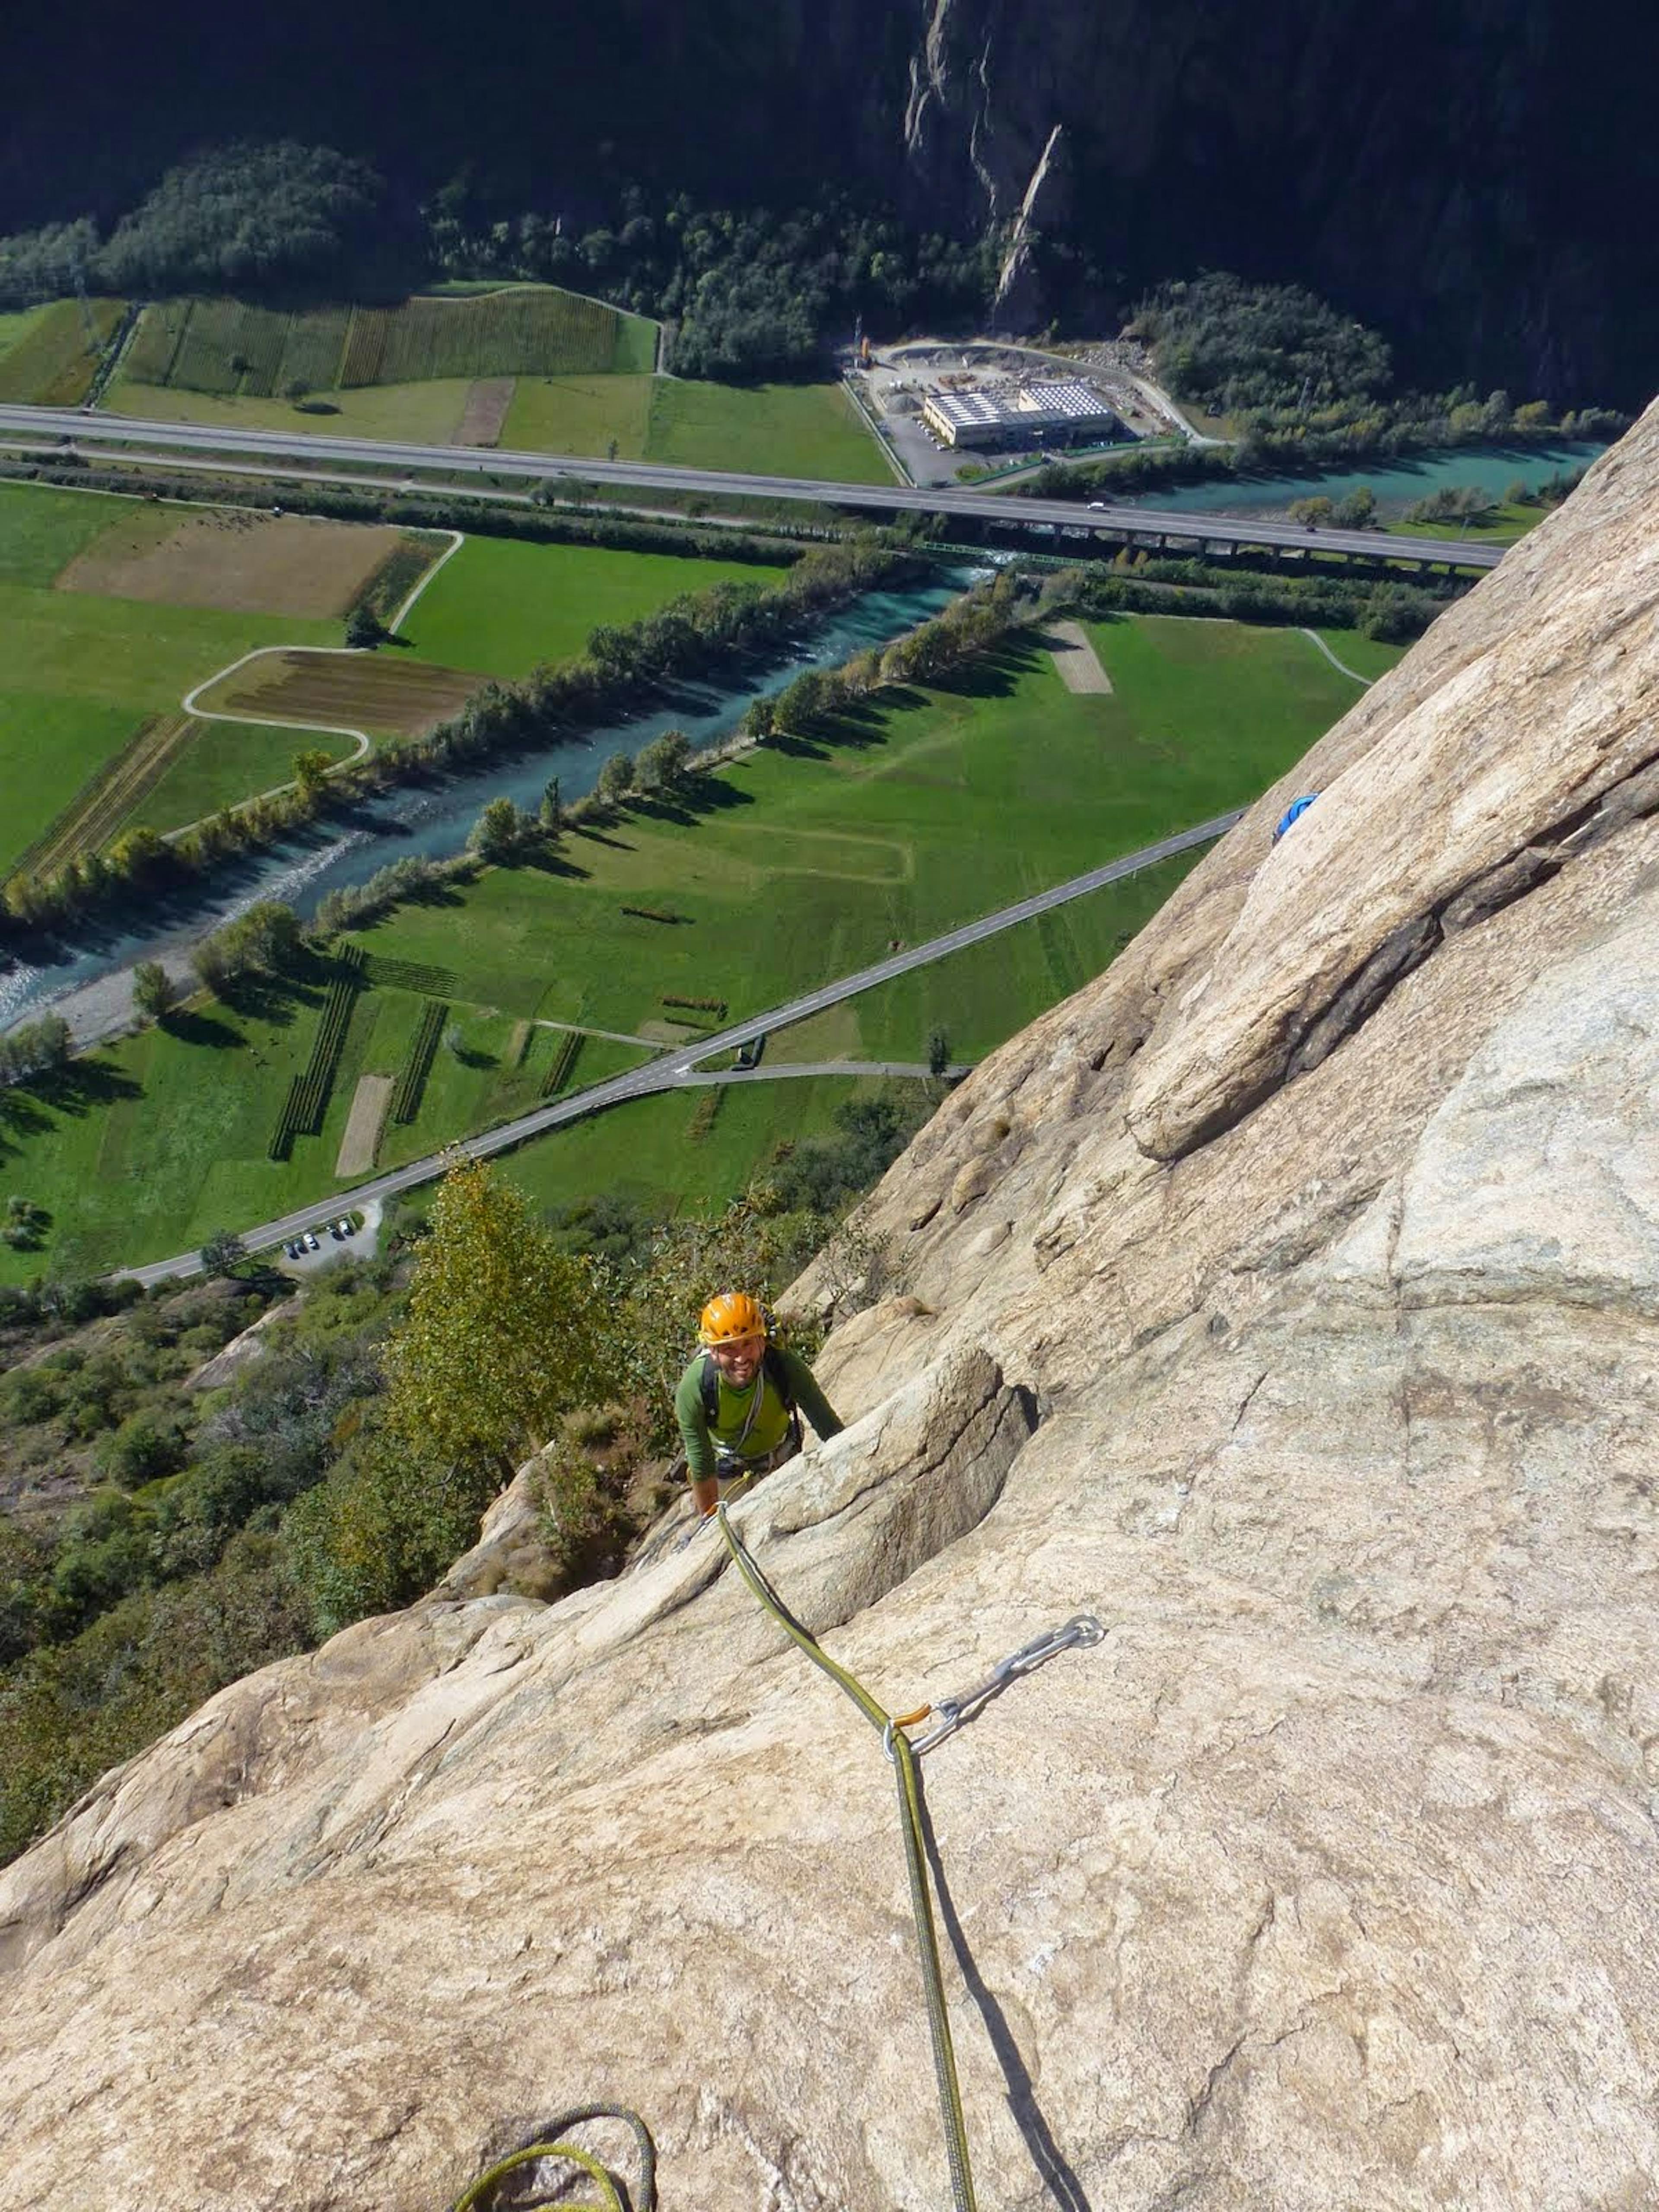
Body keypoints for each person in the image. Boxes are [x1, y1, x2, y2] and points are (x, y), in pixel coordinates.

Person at [674, 1292, 844, 1519]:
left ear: (762, 1341)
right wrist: (711, 1521)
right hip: (730, 1475)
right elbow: (701, 1462)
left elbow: (828, 1427)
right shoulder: (695, 1387)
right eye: (729, 1349)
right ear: (713, 1352)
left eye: (747, 1344)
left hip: (782, 1460)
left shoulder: (783, 1366)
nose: (741, 1358)